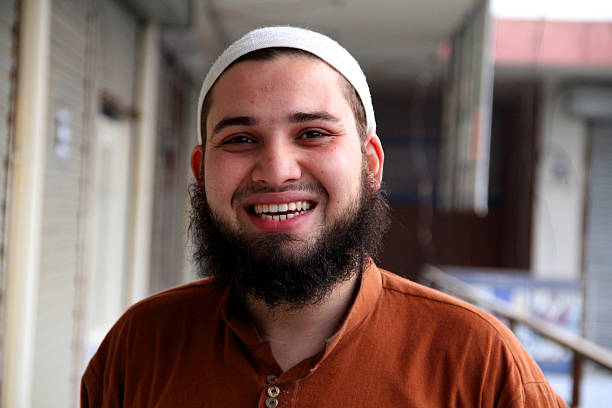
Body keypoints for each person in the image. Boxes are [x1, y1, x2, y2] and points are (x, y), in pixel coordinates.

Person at [81, 26, 565, 407]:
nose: (276, 171)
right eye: (240, 139)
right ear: (201, 170)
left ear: (370, 163)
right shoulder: (139, 346)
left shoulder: (478, 362)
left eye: (312, 133)